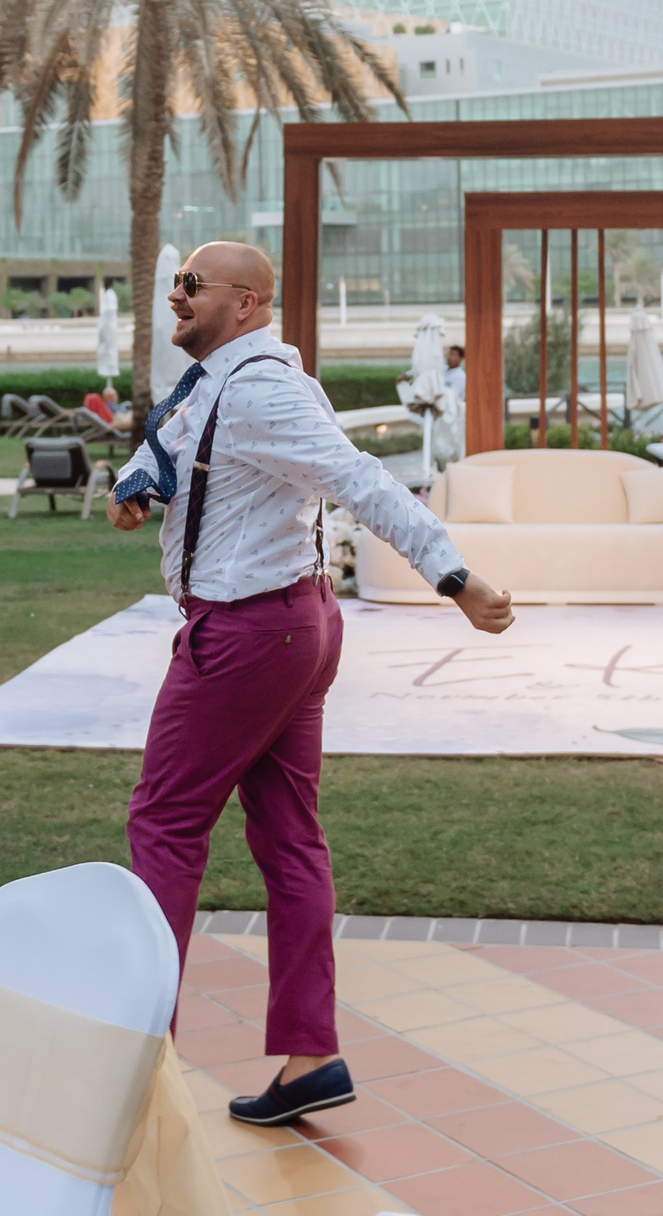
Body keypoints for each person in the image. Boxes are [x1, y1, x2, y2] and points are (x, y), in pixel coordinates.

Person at [106, 242, 512, 1126]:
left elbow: (359, 479)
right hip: (290, 623)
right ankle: (310, 1056)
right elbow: (172, 441)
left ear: (245, 303)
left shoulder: (261, 389)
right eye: (175, 284)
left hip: (251, 631)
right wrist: (136, 483)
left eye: (191, 286)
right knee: (289, 840)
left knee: (165, 826)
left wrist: (455, 577)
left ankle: (140, 1067)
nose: (175, 297)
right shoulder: (224, 379)